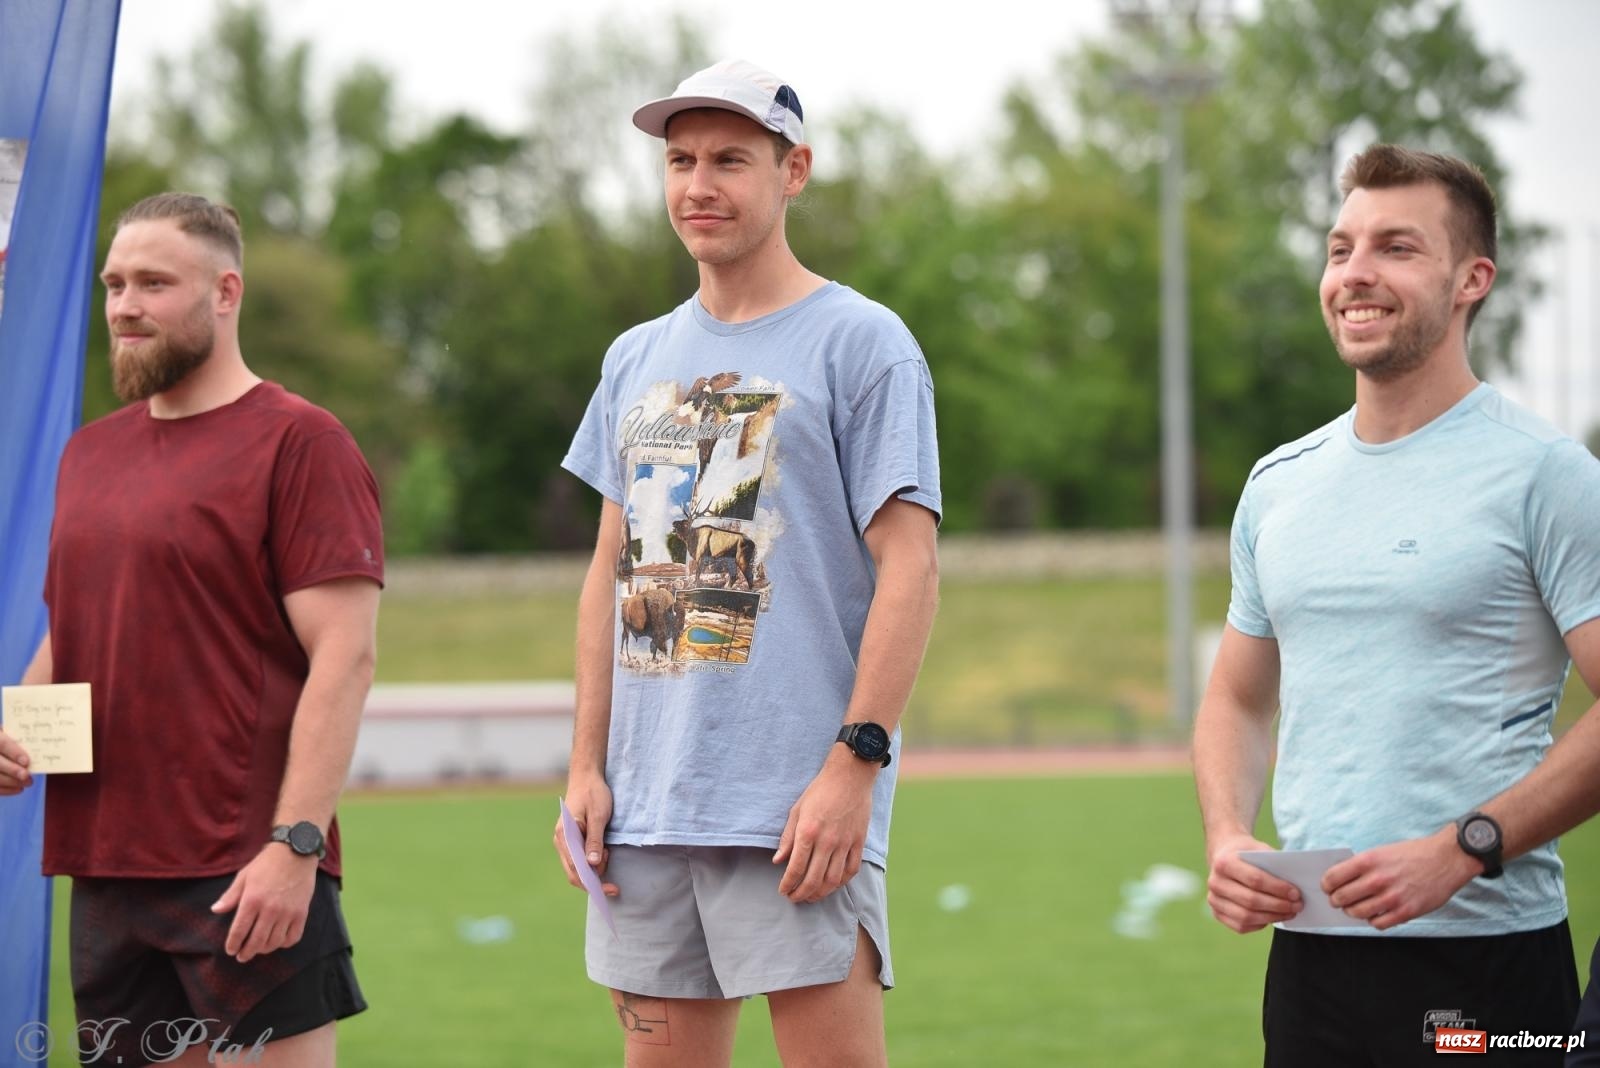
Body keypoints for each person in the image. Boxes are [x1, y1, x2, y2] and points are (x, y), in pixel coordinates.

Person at [552, 59, 940, 1067]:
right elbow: (610, 574)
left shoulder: (864, 344)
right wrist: (585, 765)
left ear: (792, 170)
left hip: (793, 809)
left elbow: (911, 570)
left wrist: (851, 768)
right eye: (679, 161)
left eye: (729, 159)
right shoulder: (632, 356)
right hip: (644, 811)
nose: (698, 185)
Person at [1193, 143, 1600, 1067]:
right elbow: (1238, 699)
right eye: (1341, 249)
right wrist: (1227, 835)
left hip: (1489, 963)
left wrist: (1467, 846)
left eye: (1396, 248)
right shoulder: (1277, 484)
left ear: (1472, 279)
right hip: (1311, 960)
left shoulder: (1547, 475)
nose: (1356, 274)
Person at [0, 192, 383, 1067]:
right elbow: (79, 630)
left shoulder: (301, 443)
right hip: (103, 861)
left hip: (244, 865)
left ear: (225, 291)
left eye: (153, 283)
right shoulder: (88, 452)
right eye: (114, 284)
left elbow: (345, 658)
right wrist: (17, 729)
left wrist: (296, 846)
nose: (126, 306)